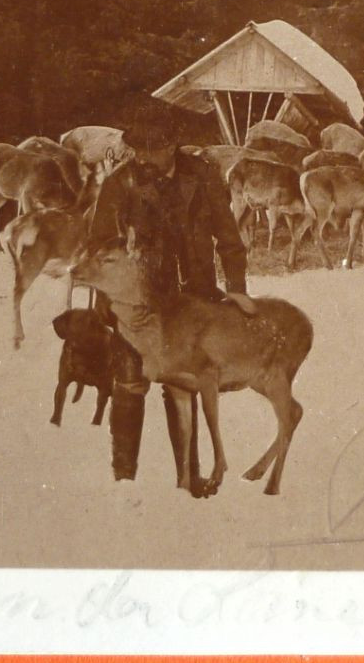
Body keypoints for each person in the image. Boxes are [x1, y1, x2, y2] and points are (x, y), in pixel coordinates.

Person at [86, 98, 248, 485]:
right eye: (137, 148)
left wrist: (237, 291)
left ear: (172, 144)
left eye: (152, 148)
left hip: (194, 300)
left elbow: (228, 239)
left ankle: (187, 479)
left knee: (183, 384)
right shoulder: (119, 182)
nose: (143, 157)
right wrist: (107, 305)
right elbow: (100, 247)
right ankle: (123, 477)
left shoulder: (205, 176)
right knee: (128, 381)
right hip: (137, 301)